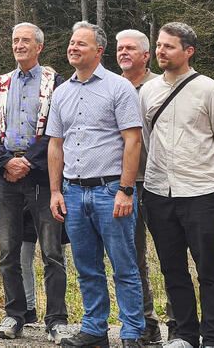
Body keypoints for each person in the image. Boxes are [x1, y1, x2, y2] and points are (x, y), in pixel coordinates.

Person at [48, 21, 144, 348]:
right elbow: (55, 145)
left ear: (99, 51)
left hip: (110, 190)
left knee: (124, 267)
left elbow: (133, 141)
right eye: (71, 42)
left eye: (81, 44)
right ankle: (94, 329)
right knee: (87, 267)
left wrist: (126, 190)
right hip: (73, 193)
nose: (73, 47)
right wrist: (56, 191)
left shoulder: (119, 88)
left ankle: (132, 332)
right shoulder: (61, 93)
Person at [140, 23, 214, 348]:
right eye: (159, 46)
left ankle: (212, 338)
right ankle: (185, 335)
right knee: (172, 268)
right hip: (158, 192)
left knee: (208, 269)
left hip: (200, 193)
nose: (161, 52)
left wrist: (205, 175)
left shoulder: (210, 90)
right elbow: (147, 139)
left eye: (169, 47)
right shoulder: (148, 92)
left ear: (188, 51)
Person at [0, 23, 71, 342]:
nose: (19, 45)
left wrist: (28, 162)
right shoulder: (1, 84)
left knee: (51, 252)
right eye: (15, 40)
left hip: (43, 177)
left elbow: (58, 130)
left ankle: (57, 319)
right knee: (8, 251)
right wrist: (5, 162)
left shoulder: (54, 83)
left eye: (25, 41)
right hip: (6, 177)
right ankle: (15, 314)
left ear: (39, 47)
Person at [115, 28, 172, 344]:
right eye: (120, 48)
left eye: (130, 48)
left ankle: (178, 320)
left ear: (146, 55)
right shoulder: (111, 86)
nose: (123, 52)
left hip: (161, 182)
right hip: (127, 185)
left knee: (170, 255)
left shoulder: (161, 86)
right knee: (133, 260)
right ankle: (146, 322)